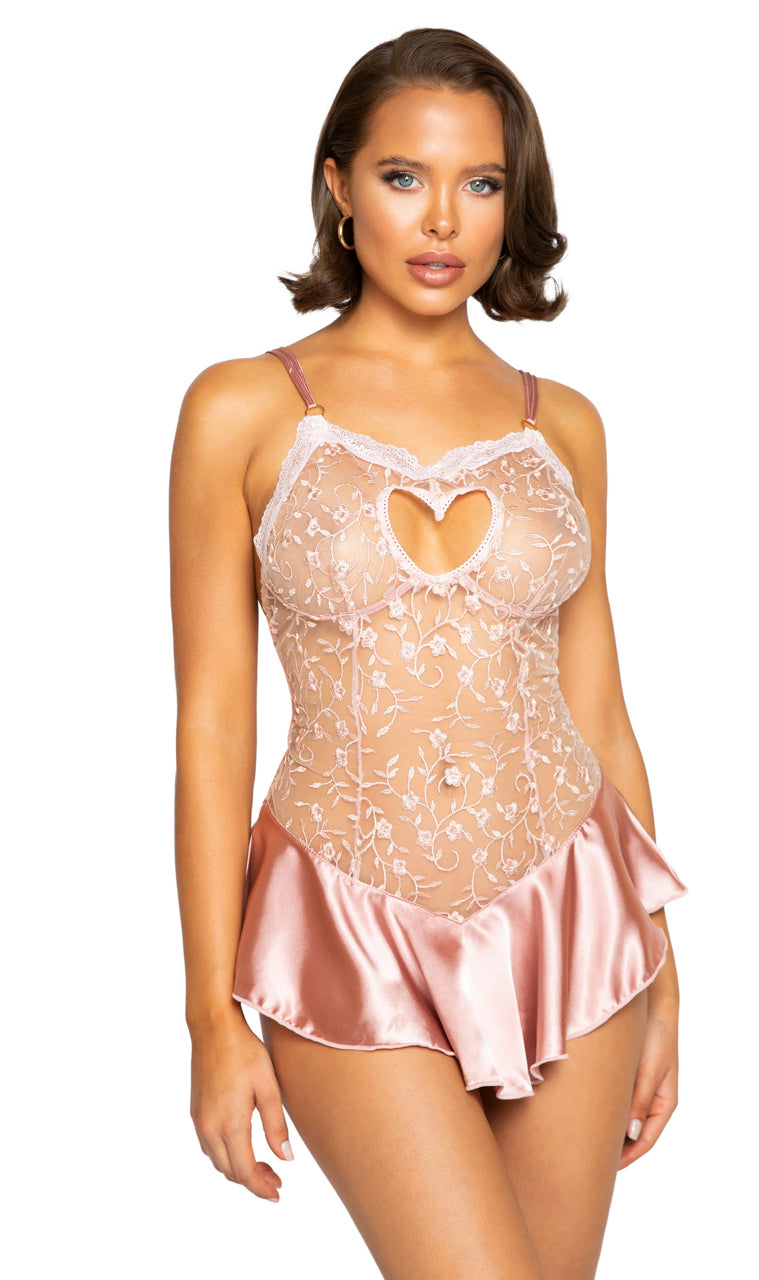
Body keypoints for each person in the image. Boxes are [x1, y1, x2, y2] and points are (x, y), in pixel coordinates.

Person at [169, 27, 687, 1280]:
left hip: (575, 914)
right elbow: (212, 727)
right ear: (340, 186)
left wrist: (665, 977)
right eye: (403, 176)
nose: (442, 218)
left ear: (515, 198)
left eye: (481, 181)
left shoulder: (563, 426)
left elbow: (599, 710)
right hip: (344, 921)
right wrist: (208, 1017)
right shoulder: (241, 408)